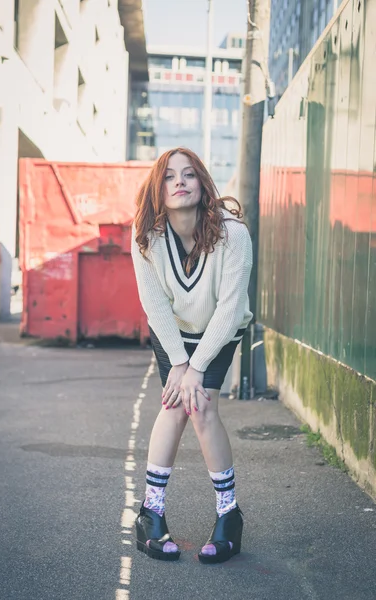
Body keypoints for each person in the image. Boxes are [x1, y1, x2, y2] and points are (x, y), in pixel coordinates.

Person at [131, 147, 253, 565]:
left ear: (202, 183)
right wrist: (180, 365)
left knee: (201, 407)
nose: (179, 181)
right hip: (174, 333)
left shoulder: (233, 234)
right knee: (174, 405)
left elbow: (231, 308)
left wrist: (197, 367)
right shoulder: (146, 237)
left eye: (188, 174)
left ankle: (228, 517)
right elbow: (155, 305)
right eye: (168, 176)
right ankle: (150, 513)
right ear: (158, 190)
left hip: (221, 330)